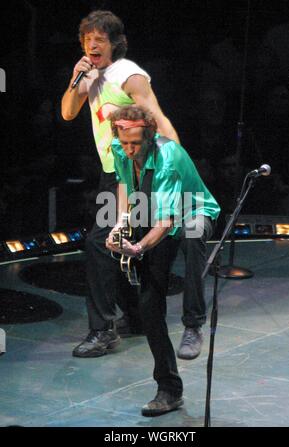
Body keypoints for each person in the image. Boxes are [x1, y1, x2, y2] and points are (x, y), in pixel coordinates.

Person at [61, 9, 180, 354]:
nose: (92, 44)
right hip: (113, 171)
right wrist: (75, 78)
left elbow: (158, 116)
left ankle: (102, 330)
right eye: (87, 39)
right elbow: (68, 112)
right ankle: (138, 317)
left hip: (138, 171)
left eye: (99, 39)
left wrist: (178, 164)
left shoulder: (127, 74)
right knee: (124, 240)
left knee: (100, 243)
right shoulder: (89, 75)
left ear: (114, 43)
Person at [105, 105, 220, 416]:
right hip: (153, 213)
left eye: (136, 144)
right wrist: (120, 223)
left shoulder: (167, 158)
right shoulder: (119, 146)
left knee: (193, 234)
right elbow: (124, 186)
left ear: (150, 136)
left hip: (191, 210)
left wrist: (139, 246)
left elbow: (169, 220)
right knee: (149, 304)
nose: (129, 150)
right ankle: (169, 389)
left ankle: (193, 324)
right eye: (124, 143)